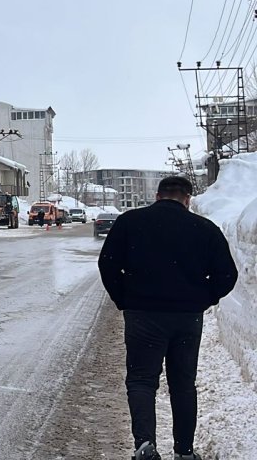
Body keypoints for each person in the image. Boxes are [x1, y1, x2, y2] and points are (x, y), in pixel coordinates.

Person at [98, 176, 238, 460]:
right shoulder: (204, 229)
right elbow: (228, 275)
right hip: (186, 317)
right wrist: (201, 299)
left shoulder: (130, 222)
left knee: (141, 380)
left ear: (158, 196)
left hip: (143, 315)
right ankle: (184, 451)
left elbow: (107, 264)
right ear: (187, 199)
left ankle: (144, 445)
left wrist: (124, 299)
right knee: (183, 383)